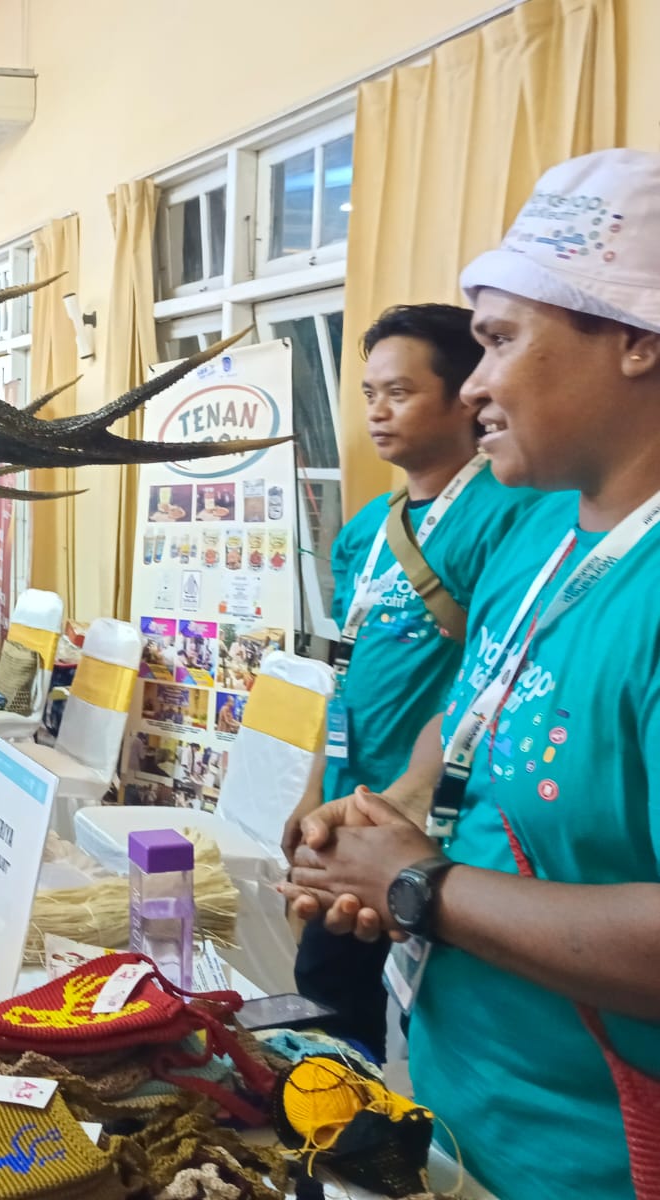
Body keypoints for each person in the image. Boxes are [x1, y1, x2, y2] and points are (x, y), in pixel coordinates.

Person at [283, 148, 660, 1199]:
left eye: (499, 341)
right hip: (464, 1116)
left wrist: (421, 887)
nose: (478, 382)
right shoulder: (542, 533)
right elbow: (471, 722)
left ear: (635, 339)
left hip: (601, 1157)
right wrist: (378, 829)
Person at [281, 303, 542, 1058]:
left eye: (398, 392)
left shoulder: (509, 513)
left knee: (427, 1009)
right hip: (345, 803)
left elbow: (495, 678)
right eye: (367, 394)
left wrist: (412, 805)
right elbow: (342, 673)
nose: (377, 411)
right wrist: (308, 791)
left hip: (428, 826)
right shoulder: (366, 527)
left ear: (464, 394)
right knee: (326, 1001)